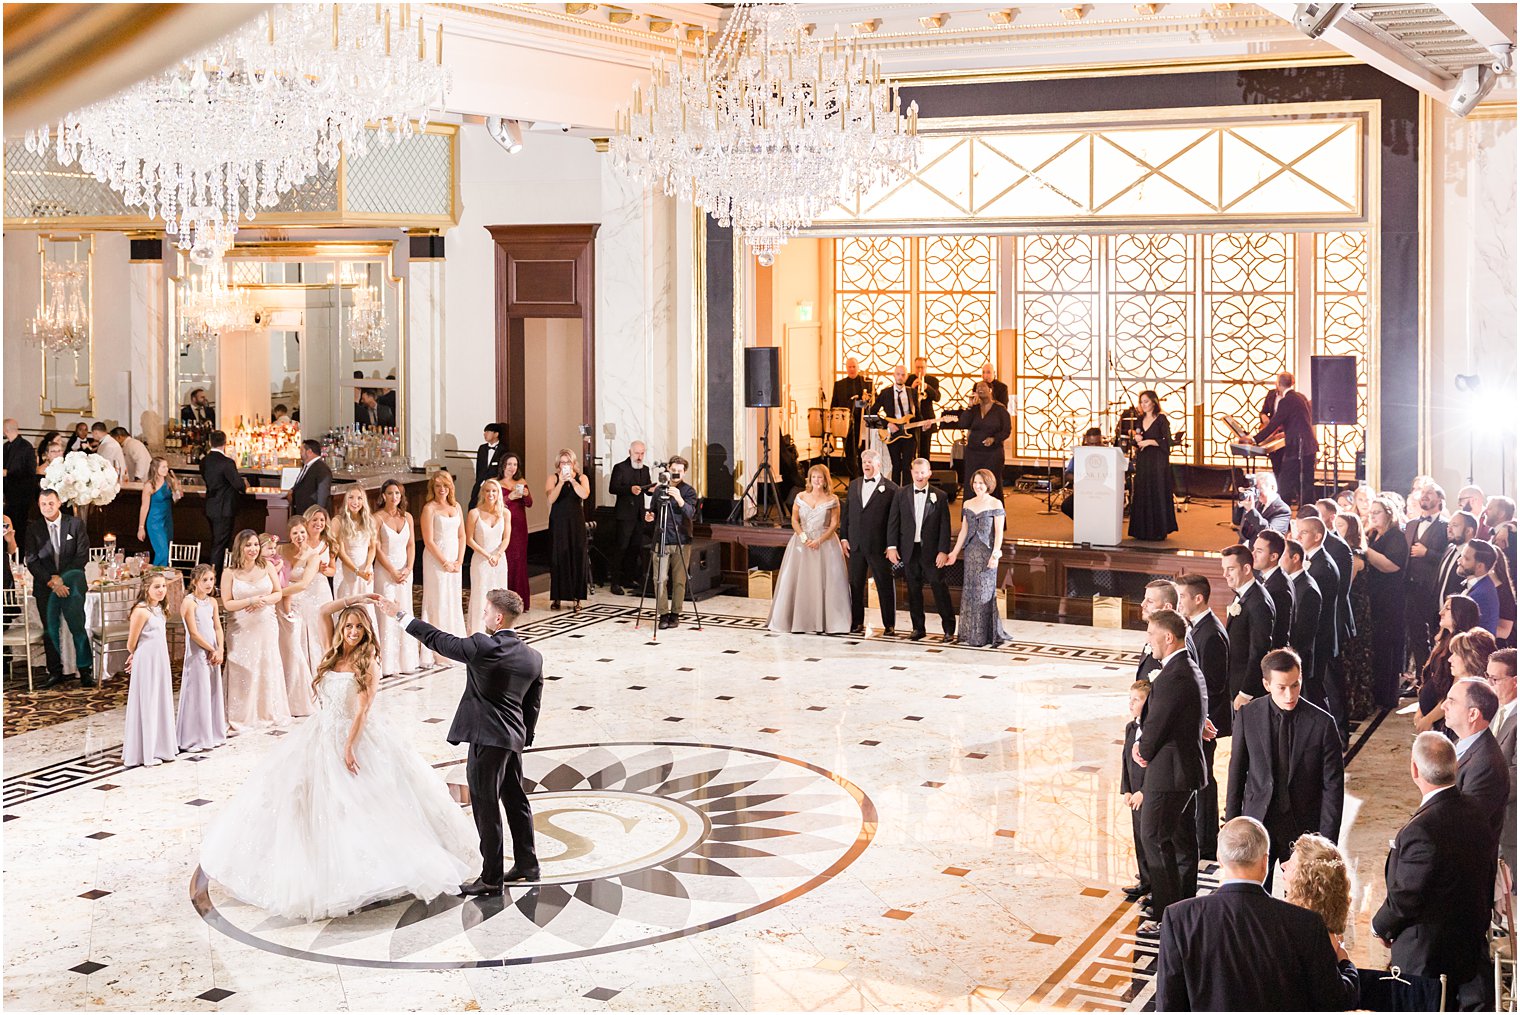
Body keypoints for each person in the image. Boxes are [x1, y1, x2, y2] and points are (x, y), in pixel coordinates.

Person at [201, 596, 479, 921]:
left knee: (361, 803)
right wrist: (355, 601)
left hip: (353, 735)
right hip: (321, 732)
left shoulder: (369, 660)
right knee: (303, 797)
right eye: (349, 626)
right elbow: (321, 611)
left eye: (359, 627)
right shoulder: (332, 653)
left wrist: (349, 746)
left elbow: (363, 709)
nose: (353, 631)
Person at [378, 587, 544, 894]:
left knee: (486, 806)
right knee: (515, 800)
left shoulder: (483, 646)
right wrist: (523, 737)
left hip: (486, 739)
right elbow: (532, 705)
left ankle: (492, 878)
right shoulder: (533, 657)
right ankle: (527, 865)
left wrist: (400, 616)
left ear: (497, 617)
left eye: (484, 611)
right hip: (512, 740)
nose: (481, 616)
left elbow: (439, 640)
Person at [1155, 816, 1356, 1012]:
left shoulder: (1178, 918)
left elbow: (1169, 1005)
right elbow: (1334, 1001)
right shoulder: (1306, 923)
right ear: (1264, 861)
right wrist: (1346, 965)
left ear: (1220, 859)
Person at [1372, 732, 1496, 1011]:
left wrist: (1379, 926)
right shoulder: (1475, 810)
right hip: (1469, 946)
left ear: (1414, 769)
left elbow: (1407, 896)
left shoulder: (1422, 829)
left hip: (1429, 956)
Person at [1224, 648, 1344, 890]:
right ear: (1266, 684)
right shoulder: (1248, 715)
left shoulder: (1322, 724)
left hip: (1303, 827)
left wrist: (1326, 842)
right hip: (1258, 823)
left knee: (1303, 899)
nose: (1290, 694)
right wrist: (1232, 826)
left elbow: (1333, 788)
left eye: (1295, 685)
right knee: (1255, 898)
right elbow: (1237, 772)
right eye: (1281, 687)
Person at [1132, 610, 1206, 939]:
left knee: (1154, 837)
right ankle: (1181, 909)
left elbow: (1158, 723)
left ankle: (1166, 915)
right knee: (1177, 840)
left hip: (1169, 774)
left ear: (1168, 638)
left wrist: (1142, 751)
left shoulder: (1175, 675)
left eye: (1151, 636)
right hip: (1183, 770)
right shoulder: (1187, 668)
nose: (1149, 642)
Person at [1174, 573, 1228, 860]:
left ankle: (1206, 840)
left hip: (1207, 723)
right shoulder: (1198, 628)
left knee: (1204, 780)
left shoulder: (1211, 633)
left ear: (1198, 598)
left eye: (1182, 596)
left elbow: (1213, 685)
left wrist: (1199, 722)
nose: (1178, 602)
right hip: (1200, 721)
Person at [220, 529, 292, 732]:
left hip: (266, 624)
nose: (253, 549)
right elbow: (227, 603)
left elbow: (278, 593)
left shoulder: (267, 566)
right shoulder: (229, 573)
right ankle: (241, 714)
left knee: (267, 664)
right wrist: (249, 601)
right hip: (241, 627)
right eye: (248, 545)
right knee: (244, 666)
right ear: (239, 548)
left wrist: (263, 601)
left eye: (255, 545)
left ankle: (267, 711)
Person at [768, 464, 850, 635]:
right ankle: (797, 620)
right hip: (801, 544)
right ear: (809, 479)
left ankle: (829, 622)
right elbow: (794, 520)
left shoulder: (833, 499)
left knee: (826, 582)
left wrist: (819, 540)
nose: (817, 481)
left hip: (826, 544)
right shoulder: (800, 496)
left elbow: (835, 523)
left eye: (820, 477)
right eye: (814, 477)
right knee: (799, 580)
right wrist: (804, 538)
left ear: (825, 480)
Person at [24, 489, 93, 689]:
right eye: (43, 504)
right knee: (50, 629)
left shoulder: (75, 524)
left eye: (51, 503)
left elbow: (81, 556)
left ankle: (85, 670)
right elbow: (32, 560)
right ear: (39, 505)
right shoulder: (33, 528)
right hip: (46, 588)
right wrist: (52, 582)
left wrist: (63, 580)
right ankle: (55, 672)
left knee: (77, 627)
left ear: (59, 502)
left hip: (72, 586)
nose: (47, 507)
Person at [887, 459, 955, 642]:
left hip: (932, 552)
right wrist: (891, 546)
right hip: (909, 550)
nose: (919, 476)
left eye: (923, 472)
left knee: (939, 588)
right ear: (911, 472)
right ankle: (918, 628)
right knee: (913, 590)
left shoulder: (939, 496)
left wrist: (943, 551)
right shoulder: (901, 493)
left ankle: (949, 628)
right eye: (916, 472)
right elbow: (893, 522)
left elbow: (944, 526)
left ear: (929, 473)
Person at [117, 571, 178, 767]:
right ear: (146, 589)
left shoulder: (160, 608)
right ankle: (147, 752)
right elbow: (131, 643)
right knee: (148, 699)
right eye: (157, 587)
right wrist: (136, 655)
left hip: (160, 659)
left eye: (163, 586)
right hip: (147, 660)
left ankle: (162, 746)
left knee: (160, 699)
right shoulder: (141, 610)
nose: (161, 590)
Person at [839, 449, 898, 637]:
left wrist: (891, 546)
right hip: (855, 545)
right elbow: (847, 514)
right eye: (864, 461)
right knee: (855, 585)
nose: (866, 464)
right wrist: (844, 537)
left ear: (878, 464)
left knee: (885, 585)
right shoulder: (855, 484)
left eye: (870, 461)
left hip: (878, 546)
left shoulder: (891, 489)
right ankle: (857, 622)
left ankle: (889, 624)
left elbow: (893, 521)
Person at [1446, 676, 1508, 843]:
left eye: (1451, 701)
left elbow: (1465, 825)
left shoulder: (1485, 764)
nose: (1444, 706)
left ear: (1472, 714)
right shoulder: (1462, 742)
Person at [1364, 494, 1409, 710]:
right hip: (1375, 599)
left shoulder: (1396, 537)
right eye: (1370, 512)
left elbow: (1390, 566)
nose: (1371, 515)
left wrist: (1364, 549)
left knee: (1387, 648)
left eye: (1376, 512)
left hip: (1390, 601)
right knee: (1376, 648)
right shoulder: (1374, 536)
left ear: (1389, 514)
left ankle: (1387, 696)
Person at [1412, 594, 1481, 734]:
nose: (1440, 612)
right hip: (1432, 720)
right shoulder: (1444, 642)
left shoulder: (1462, 648)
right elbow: (1431, 680)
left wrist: (1429, 718)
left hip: (1444, 723)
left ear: (1460, 614)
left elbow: (1453, 689)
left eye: (1447, 608)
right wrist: (1420, 711)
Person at [176, 563, 226, 752]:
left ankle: (212, 733)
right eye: (204, 580)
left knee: (212, 690)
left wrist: (220, 648)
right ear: (195, 582)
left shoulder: (212, 602)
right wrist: (211, 649)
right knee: (198, 691)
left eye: (211, 579)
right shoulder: (189, 602)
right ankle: (193, 737)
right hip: (198, 653)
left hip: (214, 652)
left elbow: (217, 627)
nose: (209, 583)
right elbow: (194, 633)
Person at [372, 480, 420, 677]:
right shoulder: (377, 518)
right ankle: (387, 663)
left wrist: (409, 567)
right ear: (383, 495)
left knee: (404, 610)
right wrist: (392, 570)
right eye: (390, 493)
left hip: (404, 571)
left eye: (398, 494)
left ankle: (406, 660)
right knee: (386, 613)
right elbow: (377, 547)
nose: (394, 497)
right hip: (386, 571)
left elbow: (411, 545)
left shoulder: (407, 517)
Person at [419, 471, 466, 667]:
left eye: (445, 485)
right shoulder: (429, 509)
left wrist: (459, 560)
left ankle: (454, 643)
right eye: (438, 486)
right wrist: (444, 561)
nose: (442, 489)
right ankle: (437, 648)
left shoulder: (456, 507)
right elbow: (428, 540)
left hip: (455, 560)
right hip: (436, 560)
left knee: (452, 598)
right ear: (433, 488)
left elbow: (462, 535)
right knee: (437, 600)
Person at [1294, 517, 1341, 712]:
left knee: (1318, 690)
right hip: (1316, 637)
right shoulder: (1315, 561)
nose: (1298, 536)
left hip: (1320, 637)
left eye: (1303, 532)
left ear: (1317, 536)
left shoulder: (1322, 567)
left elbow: (1314, 608)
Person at [1333, 510, 1377, 724]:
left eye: (1340, 526)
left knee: (1356, 654)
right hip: (1351, 606)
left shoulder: (1354, 554)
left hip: (1356, 609)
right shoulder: (1342, 552)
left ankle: (1357, 703)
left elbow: (1344, 584)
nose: (1335, 529)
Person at [1220, 544, 1274, 711]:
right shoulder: (1245, 595)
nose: (1225, 575)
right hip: (1236, 682)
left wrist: (1246, 692)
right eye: (1224, 569)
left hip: (1247, 689)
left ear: (1246, 568)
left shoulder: (1258, 602)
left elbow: (1259, 650)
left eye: (1230, 569)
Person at [646, 456, 697, 629]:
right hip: (661, 538)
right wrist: (650, 516)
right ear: (668, 468)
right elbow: (652, 511)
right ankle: (663, 614)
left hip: (682, 539)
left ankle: (675, 613)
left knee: (679, 580)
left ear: (685, 472)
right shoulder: (660, 489)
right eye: (673, 471)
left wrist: (680, 499)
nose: (675, 474)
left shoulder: (689, 491)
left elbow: (691, 513)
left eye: (679, 472)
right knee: (659, 578)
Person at [1252, 371, 1317, 506]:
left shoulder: (1286, 401)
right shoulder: (1300, 397)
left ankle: (1282, 518)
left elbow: (1273, 424)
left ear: (1278, 384)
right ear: (1292, 382)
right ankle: (1308, 517)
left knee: (1284, 484)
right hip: (1309, 445)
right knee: (1306, 484)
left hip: (1297, 447)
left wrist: (1254, 440)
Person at [1404, 483, 1451, 669]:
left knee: (1435, 634)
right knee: (1415, 636)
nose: (1424, 496)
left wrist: (1427, 553)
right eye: (1422, 493)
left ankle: (1438, 676)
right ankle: (1420, 679)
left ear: (1440, 500)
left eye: (1429, 493)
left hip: (1433, 590)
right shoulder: (1410, 525)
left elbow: (1450, 558)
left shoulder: (1446, 526)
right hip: (1411, 589)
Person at [941, 382, 1010, 502]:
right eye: (977, 388)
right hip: (973, 453)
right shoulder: (973, 410)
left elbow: (1006, 430)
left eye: (983, 387)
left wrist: (994, 439)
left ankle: (994, 516)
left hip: (993, 453)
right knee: (972, 483)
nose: (980, 389)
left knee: (992, 483)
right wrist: (969, 406)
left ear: (990, 390)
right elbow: (963, 424)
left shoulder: (1000, 409)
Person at [282, 517, 334, 674]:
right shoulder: (281, 550)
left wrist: (276, 593)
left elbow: (304, 583)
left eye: (302, 532)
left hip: (303, 598)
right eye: (295, 533)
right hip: (284, 601)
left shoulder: (313, 556)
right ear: (289, 535)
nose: (300, 536)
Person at [1126, 390, 1177, 542]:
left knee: (1157, 490)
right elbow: (1136, 442)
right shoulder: (1140, 419)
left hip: (1158, 460)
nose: (1144, 405)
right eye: (1141, 402)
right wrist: (1136, 439)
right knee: (1142, 491)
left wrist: (1149, 442)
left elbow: (1168, 442)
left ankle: (1158, 530)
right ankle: (1142, 530)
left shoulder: (1162, 419)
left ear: (1154, 402)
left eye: (1146, 401)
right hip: (1143, 460)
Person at [1121, 679, 1154, 904]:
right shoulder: (1131, 727)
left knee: (1151, 839)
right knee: (1139, 837)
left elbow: (1156, 766)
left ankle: (1156, 886)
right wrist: (1127, 789)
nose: (1131, 704)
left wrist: (1144, 791)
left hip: (1149, 792)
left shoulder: (1153, 729)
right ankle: (1145, 879)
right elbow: (1125, 759)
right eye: (1130, 699)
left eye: (1137, 700)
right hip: (1134, 792)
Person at [545, 448, 590, 611]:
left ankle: (577, 597)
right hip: (558, 521)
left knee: (577, 555)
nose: (565, 465)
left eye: (568, 462)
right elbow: (551, 498)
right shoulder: (553, 478)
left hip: (576, 521)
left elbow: (584, 495)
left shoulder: (582, 477)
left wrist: (572, 480)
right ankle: (557, 596)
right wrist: (562, 482)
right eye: (563, 462)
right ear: (558, 464)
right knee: (558, 556)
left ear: (573, 463)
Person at [200, 430, 247, 582]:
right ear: (225, 443)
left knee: (216, 542)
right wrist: (244, 484)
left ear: (209, 442)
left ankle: (216, 576)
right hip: (224, 508)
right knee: (220, 544)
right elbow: (238, 485)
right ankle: (214, 579)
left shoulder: (204, 461)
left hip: (210, 506)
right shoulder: (227, 463)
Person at [467, 479, 512, 635]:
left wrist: (498, 554)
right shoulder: (474, 513)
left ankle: (500, 631)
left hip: (499, 560)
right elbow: (469, 539)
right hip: (481, 561)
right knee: (481, 595)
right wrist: (487, 555)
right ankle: (479, 633)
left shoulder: (505, 513)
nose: (490, 494)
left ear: (498, 493)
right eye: (487, 491)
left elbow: (506, 538)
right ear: (482, 493)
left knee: (499, 597)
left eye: (494, 491)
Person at [1486, 648, 1517, 870]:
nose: (1490, 684)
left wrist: (1481, 793)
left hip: (1510, 824)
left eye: (1495, 679)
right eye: (1488, 677)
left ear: (1515, 681)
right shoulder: (1496, 708)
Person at [608, 442, 652, 596]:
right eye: (637, 453)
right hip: (624, 515)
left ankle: (628, 578)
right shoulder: (620, 468)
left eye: (642, 453)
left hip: (639, 515)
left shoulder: (645, 469)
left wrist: (652, 490)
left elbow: (647, 490)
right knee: (621, 548)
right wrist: (629, 489)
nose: (639, 457)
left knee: (635, 548)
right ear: (630, 452)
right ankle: (615, 582)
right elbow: (613, 488)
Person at [331, 487, 377, 632]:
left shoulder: (369, 521)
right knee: (347, 608)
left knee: (365, 607)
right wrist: (357, 571)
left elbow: (372, 548)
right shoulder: (338, 521)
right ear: (346, 500)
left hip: (365, 571)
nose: (355, 502)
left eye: (359, 498)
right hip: (347, 571)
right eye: (351, 497)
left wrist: (367, 567)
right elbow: (341, 552)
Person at [1279, 539, 1322, 692]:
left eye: (1282, 554)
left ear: (1295, 558)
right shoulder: (1292, 582)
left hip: (1299, 659)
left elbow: (1304, 633)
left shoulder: (1307, 588)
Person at [873, 365, 920, 484]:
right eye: (898, 374)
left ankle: (907, 494)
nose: (900, 377)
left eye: (903, 375)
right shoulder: (885, 393)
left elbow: (918, 414)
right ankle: (895, 494)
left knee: (907, 465)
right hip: (892, 434)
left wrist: (924, 423)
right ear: (894, 375)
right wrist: (887, 424)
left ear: (907, 376)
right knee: (896, 465)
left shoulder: (912, 393)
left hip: (908, 433)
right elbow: (872, 413)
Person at [129, 456, 179, 567]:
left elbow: (177, 498)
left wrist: (177, 486)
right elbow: (144, 507)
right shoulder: (149, 485)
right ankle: (155, 578)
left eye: (167, 466)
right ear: (155, 468)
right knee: (162, 553)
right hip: (155, 522)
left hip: (167, 520)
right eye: (163, 467)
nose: (166, 469)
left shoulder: (169, 481)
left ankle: (163, 580)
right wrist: (141, 528)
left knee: (167, 551)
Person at [499, 454, 533, 608]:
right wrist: (509, 497)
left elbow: (529, 503)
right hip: (504, 525)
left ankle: (520, 601)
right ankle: (505, 600)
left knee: (519, 561)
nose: (512, 467)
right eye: (509, 464)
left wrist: (526, 495)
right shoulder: (496, 483)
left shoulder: (521, 482)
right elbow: (494, 505)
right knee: (506, 560)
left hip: (519, 526)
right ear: (503, 465)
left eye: (515, 464)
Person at [1250, 529, 1294, 650]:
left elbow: (1279, 632)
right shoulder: (1269, 577)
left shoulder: (1279, 587)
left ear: (1273, 556)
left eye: (1259, 551)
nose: (1252, 554)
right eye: (1254, 549)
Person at [830, 357, 871, 478]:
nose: (852, 369)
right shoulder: (839, 385)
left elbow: (873, 403)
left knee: (864, 452)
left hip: (863, 422)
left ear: (858, 367)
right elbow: (835, 405)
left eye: (854, 366)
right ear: (846, 368)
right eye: (849, 367)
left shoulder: (867, 382)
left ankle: (866, 478)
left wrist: (861, 403)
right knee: (850, 453)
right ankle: (854, 480)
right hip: (845, 424)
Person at [1135, 580, 1178, 680]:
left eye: (1150, 601)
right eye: (1144, 599)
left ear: (1167, 607)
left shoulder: (1171, 641)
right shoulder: (1154, 633)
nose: (1142, 604)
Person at [3, 418, 38, 538]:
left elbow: (30, 472)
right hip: (7, 496)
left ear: (5, 430)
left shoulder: (25, 447)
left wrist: (8, 473)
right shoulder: (5, 446)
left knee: (19, 527)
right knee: (7, 526)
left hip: (21, 497)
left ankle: (19, 553)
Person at [1238, 472, 1291, 545]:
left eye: (1260, 490)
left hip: (1266, 552)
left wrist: (1251, 511)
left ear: (1272, 487)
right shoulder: (1256, 502)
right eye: (1255, 489)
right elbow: (1237, 522)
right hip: (1249, 549)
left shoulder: (1283, 510)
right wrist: (1241, 504)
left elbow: (1270, 534)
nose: (1257, 493)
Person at [906, 356, 940, 461]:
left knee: (925, 451)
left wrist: (926, 387)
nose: (919, 370)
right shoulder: (908, 379)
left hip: (927, 420)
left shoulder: (933, 381)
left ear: (926, 368)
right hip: (911, 420)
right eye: (917, 367)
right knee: (910, 450)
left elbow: (937, 397)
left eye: (922, 367)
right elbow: (903, 399)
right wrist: (911, 388)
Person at [469, 423, 507, 510]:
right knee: (473, 505)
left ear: (496, 434)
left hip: (494, 484)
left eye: (488, 431)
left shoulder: (503, 449)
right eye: (484, 432)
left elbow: (502, 470)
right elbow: (479, 468)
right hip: (480, 483)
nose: (485, 434)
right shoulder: (482, 448)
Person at [289, 440, 332, 516]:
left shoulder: (321, 469)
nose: (300, 453)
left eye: (302, 450)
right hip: (301, 512)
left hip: (311, 514)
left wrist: (319, 514)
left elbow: (322, 494)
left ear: (309, 452)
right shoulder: (307, 466)